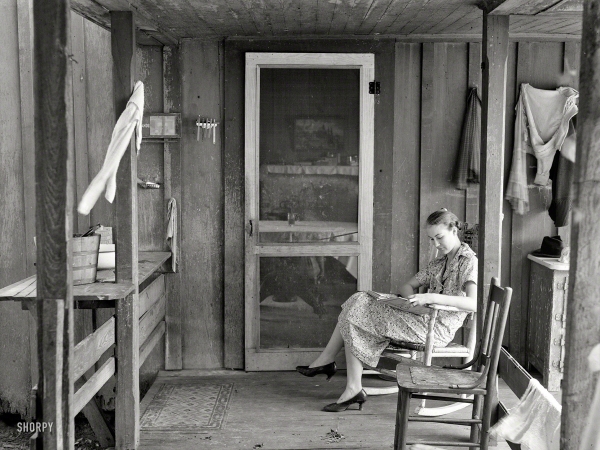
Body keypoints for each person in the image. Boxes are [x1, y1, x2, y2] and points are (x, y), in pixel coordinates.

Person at [296, 209, 478, 412]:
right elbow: (406, 286)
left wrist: (430, 298)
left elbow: (473, 303)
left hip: (437, 329)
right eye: (431, 239)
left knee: (356, 311)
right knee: (358, 301)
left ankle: (336, 371)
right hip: (420, 319)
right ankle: (347, 383)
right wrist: (411, 303)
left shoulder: (468, 261)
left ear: (454, 230)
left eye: (439, 237)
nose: (435, 244)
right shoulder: (439, 262)